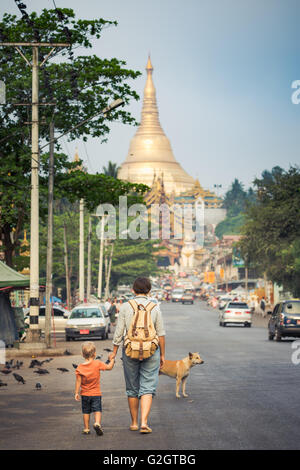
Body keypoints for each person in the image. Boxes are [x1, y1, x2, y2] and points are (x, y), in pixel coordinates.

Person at [109, 277, 165, 434]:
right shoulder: (155, 307)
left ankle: (134, 422)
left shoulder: (126, 307)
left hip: (129, 350)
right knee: (148, 386)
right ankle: (144, 422)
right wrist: (162, 355)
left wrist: (113, 352)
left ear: (133, 290)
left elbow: (119, 332)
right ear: (149, 291)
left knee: (132, 387)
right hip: (152, 351)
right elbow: (161, 334)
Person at [75, 341, 115, 436]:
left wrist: (76, 392)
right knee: (97, 410)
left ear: (82, 354)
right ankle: (97, 423)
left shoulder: (79, 367)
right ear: (95, 354)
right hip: (96, 393)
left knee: (86, 411)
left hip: (85, 394)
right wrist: (112, 359)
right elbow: (109, 367)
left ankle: (86, 428)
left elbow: (78, 382)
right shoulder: (97, 363)